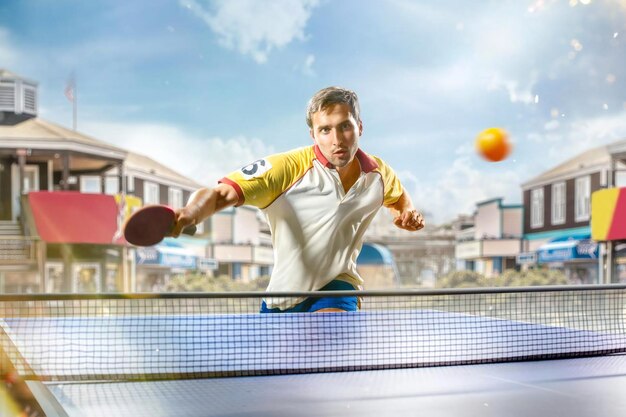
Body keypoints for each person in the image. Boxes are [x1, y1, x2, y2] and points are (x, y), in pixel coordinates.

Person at [171, 86, 424, 312]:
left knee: (329, 346)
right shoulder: (285, 169)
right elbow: (219, 194)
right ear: (313, 135)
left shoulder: (378, 174)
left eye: (345, 126)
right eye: (325, 130)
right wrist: (188, 214)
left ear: (359, 126)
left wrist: (405, 212)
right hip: (283, 297)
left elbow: (398, 195)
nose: (336, 139)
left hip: (338, 287)